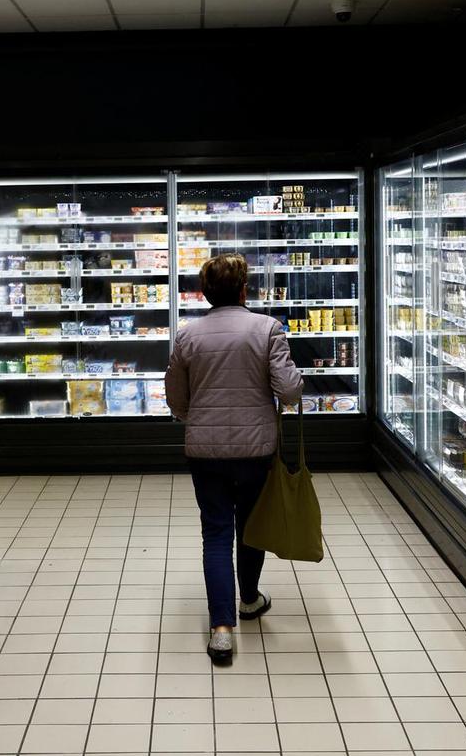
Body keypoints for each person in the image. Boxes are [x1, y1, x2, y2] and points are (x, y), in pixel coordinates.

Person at [165, 253, 304, 664]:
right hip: (256, 450)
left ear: (206, 293)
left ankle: (221, 629)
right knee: (250, 525)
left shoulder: (188, 336)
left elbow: (176, 399)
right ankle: (249, 600)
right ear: (244, 290)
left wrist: (198, 417)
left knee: (216, 534)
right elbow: (290, 390)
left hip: (205, 452)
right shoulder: (267, 329)